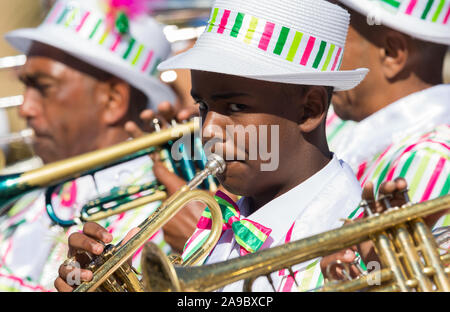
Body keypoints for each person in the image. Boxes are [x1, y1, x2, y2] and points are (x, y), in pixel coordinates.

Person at [55, 0, 371, 292]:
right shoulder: (214, 225)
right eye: (203, 106)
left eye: (235, 107)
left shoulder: (357, 248)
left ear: (310, 109)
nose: (208, 130)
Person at [0, 0, 201, 292]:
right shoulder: (29, 185)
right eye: (25, 86)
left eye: (42, 86)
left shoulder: (173, 213)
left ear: (113, 100)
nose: (25, 108)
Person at [320, 0, 450, 280]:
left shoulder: (431, 158)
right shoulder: (349, 130)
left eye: (333, 39)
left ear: (392, 53)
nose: (321, 60)